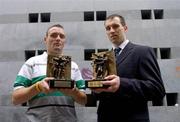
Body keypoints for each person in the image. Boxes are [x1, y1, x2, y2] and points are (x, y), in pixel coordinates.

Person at [91, 14, 165, 122]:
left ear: (125, 28)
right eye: (108, 28)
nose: (111, 31)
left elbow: (157, 90)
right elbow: (98, 96)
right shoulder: (102, 58)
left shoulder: (143, 52)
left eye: (115, 26)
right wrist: (96, 90)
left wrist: (122, 84)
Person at [12, 24, 87, 122]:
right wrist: (38, 87)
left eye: (62, 36)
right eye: (53, 35)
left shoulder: (73, 66)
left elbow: (84, 100)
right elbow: (15, 99)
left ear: (64, 41)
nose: (58, 38)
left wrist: (74, 92)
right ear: (45, 39)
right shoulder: (32, 62)